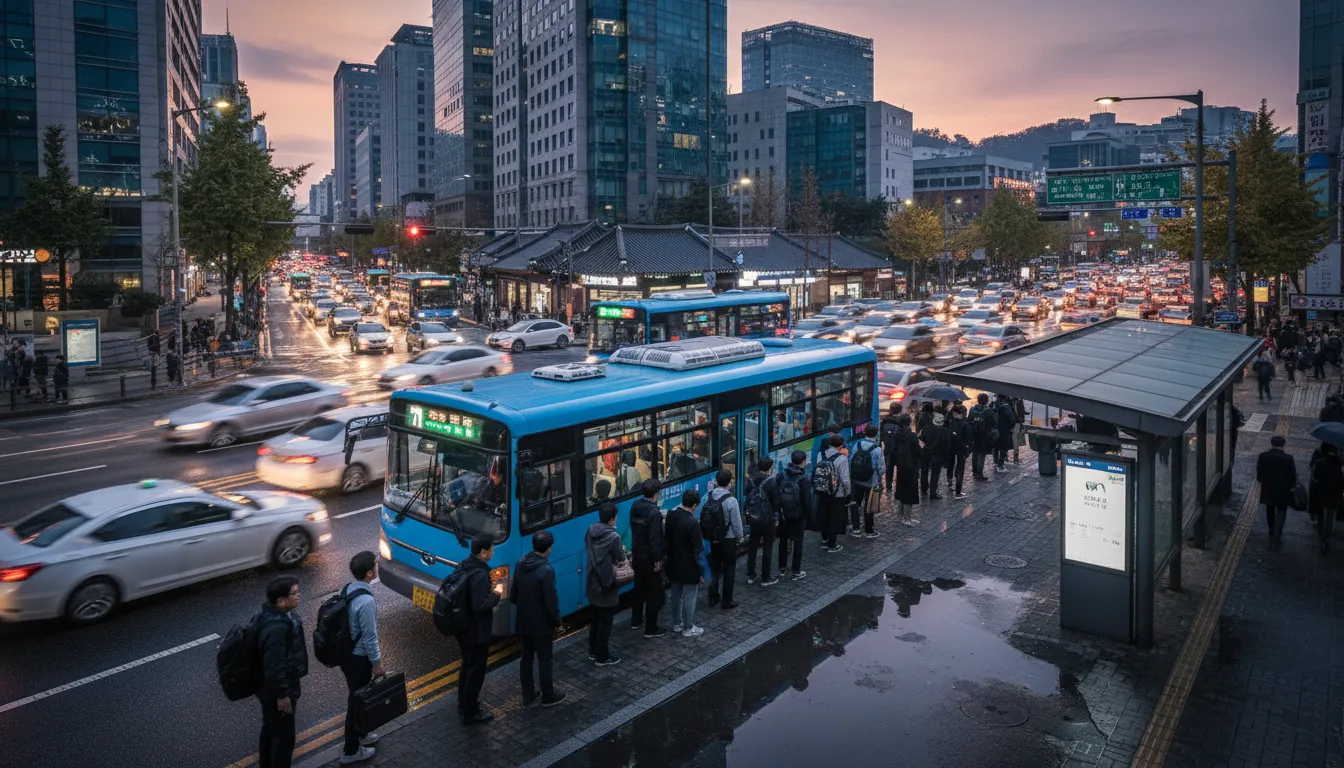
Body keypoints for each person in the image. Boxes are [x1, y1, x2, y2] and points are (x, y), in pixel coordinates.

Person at [256, 575, 307, 768]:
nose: (299, 595)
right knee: (284, 739)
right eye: (294, 593)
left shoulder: (270, 614)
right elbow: (274, 664)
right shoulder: (276, 627)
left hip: (268, 689)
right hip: (276, 692)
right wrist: (282, 694)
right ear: (280, 600)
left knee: (270, 731)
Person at [512, 531, 567, 707]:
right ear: (549, 549)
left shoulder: (521, 564)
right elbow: (551, 602)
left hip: (523, 621)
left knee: (526, 657)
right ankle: (548, 695)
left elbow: (513, 596)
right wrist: (557, 623)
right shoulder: (546, 570)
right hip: (541, 625)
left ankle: (528, 694)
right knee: (545, 660)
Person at [339, 552, 383, 765]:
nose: (378, 565)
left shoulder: (349, 588)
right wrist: (377, 665)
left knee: (359, 699)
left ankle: (362, 733)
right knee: (356, 703)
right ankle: (351, 750)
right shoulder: (366, 601)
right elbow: (369, 637)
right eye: (376, 564)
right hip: (358, 659)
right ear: (369, 573)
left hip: (347, 655)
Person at [454, 537, 500, 724]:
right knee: (476, 670)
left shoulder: (463, 565)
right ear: (483, 552)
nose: (493, 553)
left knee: (466, 664)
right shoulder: (480, 574)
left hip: (463, 627)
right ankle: (471, 711)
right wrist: (496, 594)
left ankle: (463, 701)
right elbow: (480, 605)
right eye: (491, 550)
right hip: (476, 631)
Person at [585, 502, 627, 665]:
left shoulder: (591, 530)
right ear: (613, 518)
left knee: (595, 619)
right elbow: (620, 558)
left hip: (592, 581)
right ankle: (602, 656)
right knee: (605, 622)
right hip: (607, 583)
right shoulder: (613, 536)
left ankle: (592, 651)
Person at [627, 479, 667, 637]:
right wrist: (657, 560)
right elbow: (655, 539)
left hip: (637, 553)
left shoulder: (635, 505)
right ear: (656, 494)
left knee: (639, 588)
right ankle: (651, 627)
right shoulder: (654, 513)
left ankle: (636, 620)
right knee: (653, 592)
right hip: (650, 557)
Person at [665, 489, 706, 637]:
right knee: (690, 595)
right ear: (694, 505)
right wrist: (700, 571)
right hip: (688, 565)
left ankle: (677, 623)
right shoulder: (692, 522)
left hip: (673, 562)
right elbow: (697, 549)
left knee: (676, 593)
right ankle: (688, 627)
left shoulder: (671, 515)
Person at [705, 469, 743, 610]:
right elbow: (737, 524)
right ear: (729, 482)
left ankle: (713, 597)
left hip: (714, 540)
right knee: (729, 570)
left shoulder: (709, 496)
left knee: (714, 568)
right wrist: (740, 537)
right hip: (729, 539)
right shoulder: (731, 500)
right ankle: (727, 601)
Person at [775, 450, 813, 581]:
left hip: (784, 514)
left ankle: (782, 567)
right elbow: (807, 500)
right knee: (798, 542)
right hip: (798, 515)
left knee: (783, 540)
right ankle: (796, 570)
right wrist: (808, 516)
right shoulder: (803, 478)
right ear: (803, 462)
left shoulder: (781, 475)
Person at [1256, 435, 1297, 543]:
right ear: (1283, 445)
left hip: (1268, 487)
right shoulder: (1288, 458)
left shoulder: (1263, 456)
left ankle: (1271, 528)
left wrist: (1262, 480)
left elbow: (1259, 472)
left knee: (1269, 508)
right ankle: (1278, 531)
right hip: (1284, 488)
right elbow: (1292, 474)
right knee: (1282, 509)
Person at [744, 458, 778, 584]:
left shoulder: (750, 479)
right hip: (767, 520)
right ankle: (766, 577)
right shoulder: (771, 482)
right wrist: (776, 519)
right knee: (767, 547)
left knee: (753, 545)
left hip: (753, 517)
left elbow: (747, 495)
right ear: (769, 468)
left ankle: (751, 574)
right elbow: (776, 503)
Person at [816, 434, 851, 553]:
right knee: (834, 518)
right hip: (837, 493)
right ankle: (832, 543)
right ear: (841, 445)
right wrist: (848, 493)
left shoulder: (820, 455)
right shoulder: (842, 459)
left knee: (824, 515)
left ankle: (824, 539)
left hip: (822, 490)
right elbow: (845, 479)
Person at [848, 425, 884, 538]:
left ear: (865, 432)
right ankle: (868, 530)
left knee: (855, 503)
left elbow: (851, 461)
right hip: (871, 481)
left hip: (856, 480)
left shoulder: (857, 445)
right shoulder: (877, 449)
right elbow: (881, 469)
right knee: (869, 505)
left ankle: (856, 528)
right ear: (876, 434)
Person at [1311, 445, 1344, 554]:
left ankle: (1322, 536)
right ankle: (1327, 536)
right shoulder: (1340, 464)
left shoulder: (1320, 462)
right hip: (1335, 494)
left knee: (1320, 515)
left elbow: (1315, 477)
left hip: (1321, 493)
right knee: (1330, 516)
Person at [892, 414, 922, 525]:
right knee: (909, 493)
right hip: (911, 467)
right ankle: (907, 518)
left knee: (901, 489)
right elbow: (917, 451)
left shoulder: (896, 435)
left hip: (900, 466)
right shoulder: (912, 436)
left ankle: (901, 514)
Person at [919, 412, 950, 501]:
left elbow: (921, 440)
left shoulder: (927, 428)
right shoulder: (945, 432)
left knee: (924, 470)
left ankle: (924, 488)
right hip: (937, 455)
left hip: (926, 453)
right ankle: (933, 493)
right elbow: (947, 446)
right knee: (935, 474)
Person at [968, 394, 995, 481]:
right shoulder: (988, 411)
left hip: (974, 434)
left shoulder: (972, 409)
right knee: (981, 454)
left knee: (975, 453)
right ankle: (980, 473)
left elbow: (969, 421)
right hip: (984, 435)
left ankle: (974, 471)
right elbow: (992, 424)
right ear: (986, 401)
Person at [947, 405, 972, 500]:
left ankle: (949, 479)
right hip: (961, 448)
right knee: (960, 469)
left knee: (951, 463)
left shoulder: (950, 421)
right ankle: (958, 492)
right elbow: (968, 438)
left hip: (951, 446)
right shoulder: (965, 424)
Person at [879, 403, 903, 494]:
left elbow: (880, 437)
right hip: (899, 450)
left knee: (889, 469)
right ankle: (899, 487)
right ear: (899, 411)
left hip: (888, 450)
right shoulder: (901, 422)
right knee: (900, 469)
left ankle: (889, 487)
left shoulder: (884, 422)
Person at [993, 394, 1017, 473]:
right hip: (1005, 430)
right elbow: (1012, 421)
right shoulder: (1007, 408)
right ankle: (1000, 464)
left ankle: (996, 461)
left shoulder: (994, 405)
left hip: (995, 430)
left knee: (996, 446)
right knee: (1004, 448)